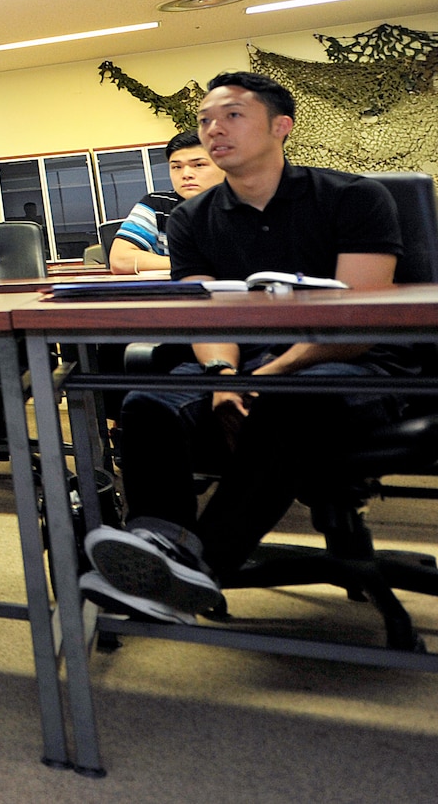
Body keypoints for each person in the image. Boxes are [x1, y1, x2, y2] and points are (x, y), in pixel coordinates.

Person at [82, 71, 404, 623]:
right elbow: (206, 316)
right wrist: (224, 377)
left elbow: (357, 325)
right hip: (249, 366)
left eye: (232, 115)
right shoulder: (188, 220)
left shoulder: (355, 198)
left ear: (282, 127)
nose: (213, 130)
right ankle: (162, 540)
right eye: (206, 120)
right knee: (147, 403)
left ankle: (200, 567)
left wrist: (264, 376)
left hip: (353, 367)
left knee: (286, 401)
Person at [108, 130, 220, 274]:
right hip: (179, 293)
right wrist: (192, 264)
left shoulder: (249, 204)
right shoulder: (157, 205)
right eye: (176, 167)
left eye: (198, 165)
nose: (186, 175)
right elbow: (120, 260)